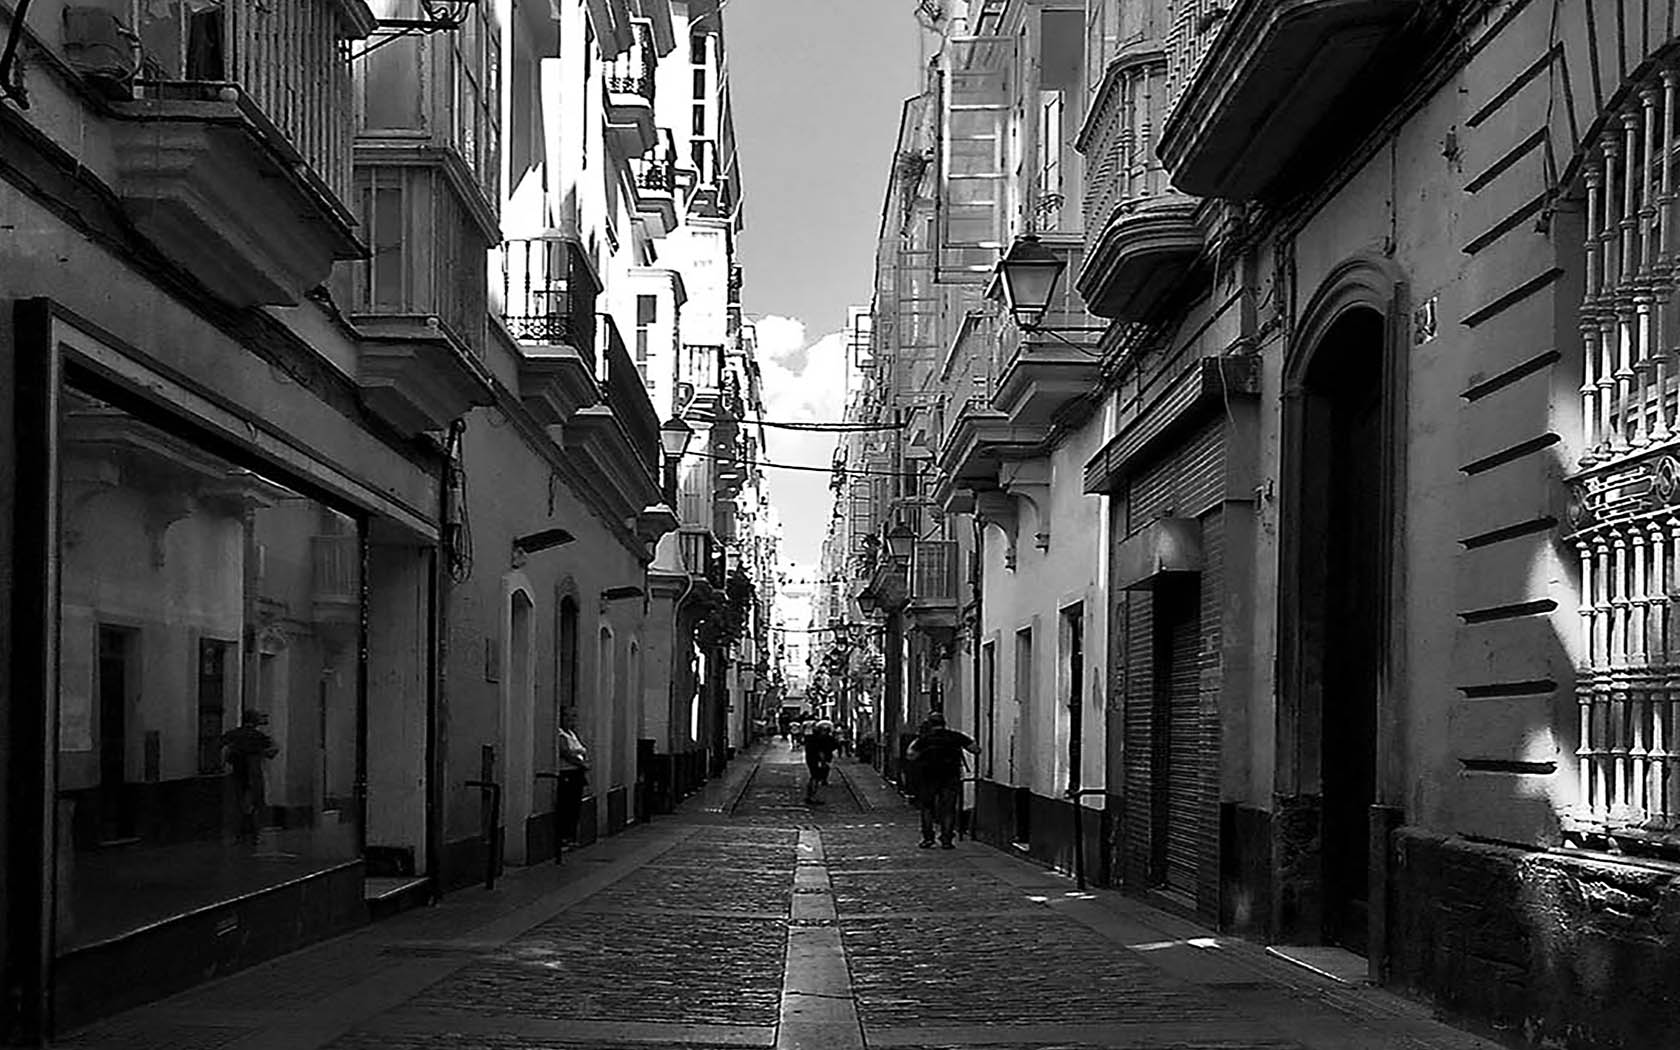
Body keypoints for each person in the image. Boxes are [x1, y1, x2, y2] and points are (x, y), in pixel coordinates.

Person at [905, 711, 976, 849]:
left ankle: (928, 838)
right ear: (944, 723)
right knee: (948, 809)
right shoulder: (954, 736)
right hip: (950, 777)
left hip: (928, 777)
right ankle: (947, 840)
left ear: (930, 724)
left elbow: (911, 755)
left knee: (927, 809)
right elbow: (975, 749)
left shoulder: (925, 739)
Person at [222, 710, 278, 844]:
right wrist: (261, 753)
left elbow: (222, 747)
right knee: (255, 802)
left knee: (237, 803)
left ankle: (238, 834)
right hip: (254, 772)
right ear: (255, 721)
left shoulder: (233, 734)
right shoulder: (259, 736)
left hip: (237, 772)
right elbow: (273, 750)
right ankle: (253, 834)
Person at [803, 719, 840, 804]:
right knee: (815, 777)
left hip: (813, 758)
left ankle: (811, 795)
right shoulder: (822, 738)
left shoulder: (813, 737)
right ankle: (811, 796)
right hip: (817, 759)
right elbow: (832, 746)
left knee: (815, 777)